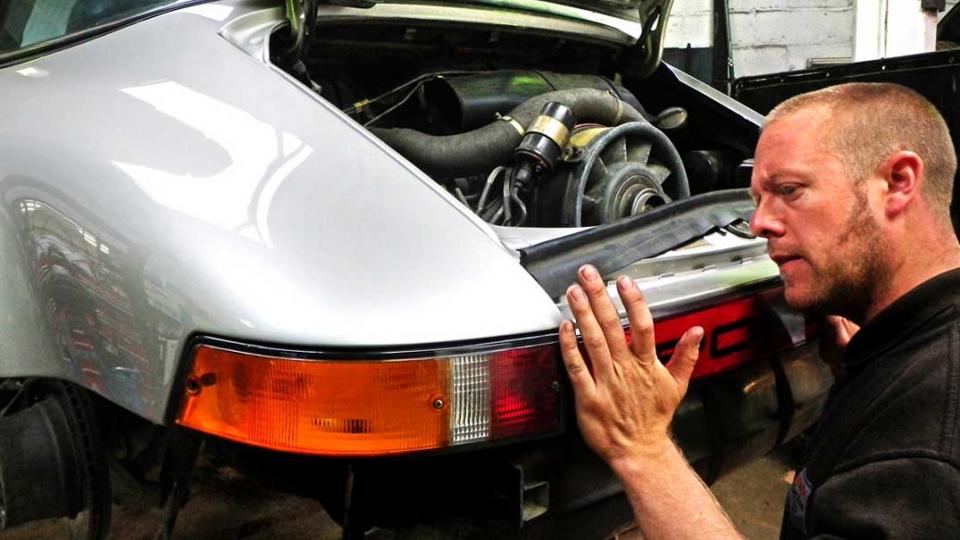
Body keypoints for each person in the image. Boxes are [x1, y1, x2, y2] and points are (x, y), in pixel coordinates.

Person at [558, 82, 960, 539]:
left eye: (789, 190)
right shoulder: (911, 346)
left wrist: (642, 448)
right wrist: (867, 372)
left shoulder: (928, 451)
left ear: (898, 182)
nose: (758, 224)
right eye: (757, 200)